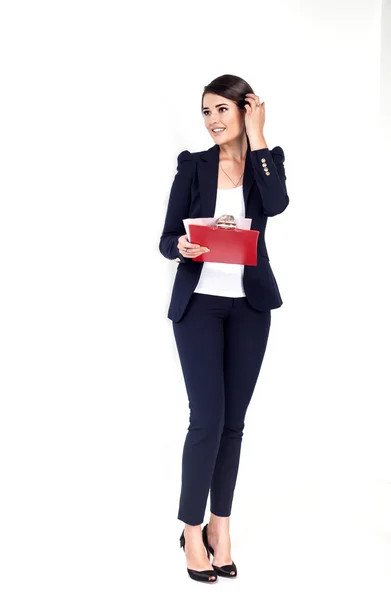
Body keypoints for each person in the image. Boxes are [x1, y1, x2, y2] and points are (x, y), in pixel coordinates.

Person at [159, 74, 289, 583]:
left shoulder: (265, 164)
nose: (213, 121)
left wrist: (258, 137)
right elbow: (168, 236)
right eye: (205, 112)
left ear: (244, 109)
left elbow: (275, 204)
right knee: (207, 419)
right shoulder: (193, 166)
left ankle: (220, 525)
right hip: (200, 307)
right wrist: (181, 248)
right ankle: (191, 528)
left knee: (234, 423)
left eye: (222, 110)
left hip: (250, 307)